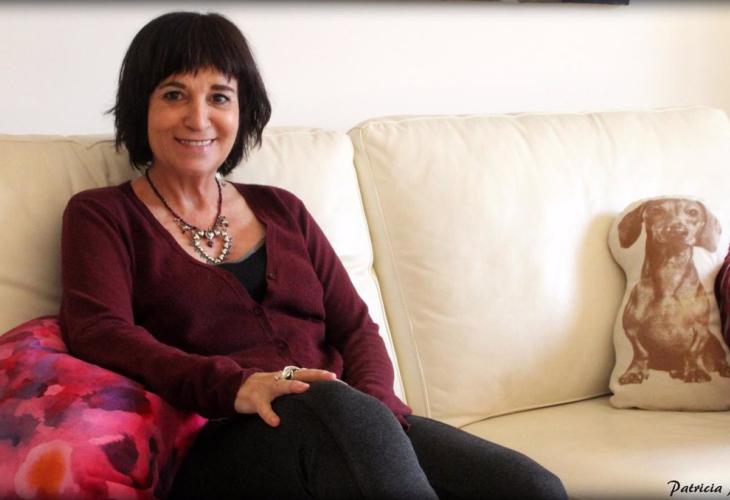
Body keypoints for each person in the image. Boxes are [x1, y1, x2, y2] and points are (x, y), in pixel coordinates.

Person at [59, 11, 568, 500]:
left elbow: (356, 327)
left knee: (529, 487)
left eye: (219, 97)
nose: (198, 117)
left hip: (348, 419)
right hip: (220, 436)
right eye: (174, 95)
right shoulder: (102, 215)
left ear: (242, 110)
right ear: (140, 106)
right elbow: (99, 330)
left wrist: (375, 406)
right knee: (332, 409)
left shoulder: (282, 208)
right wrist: (234, 386)